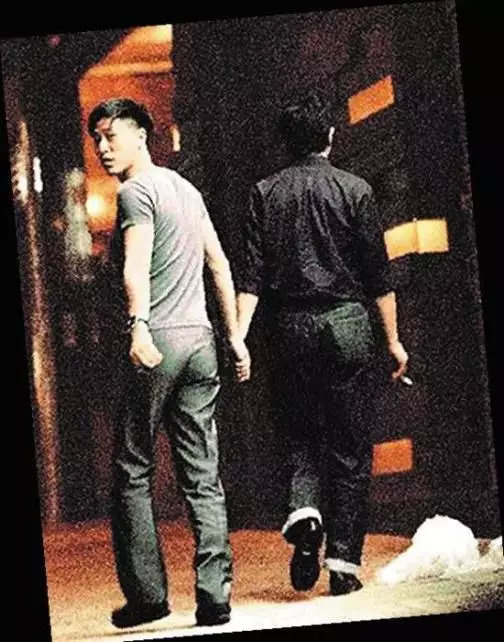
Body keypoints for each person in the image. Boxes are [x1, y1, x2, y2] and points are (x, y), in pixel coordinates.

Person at [235, 90, 408, 597]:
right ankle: (343, 565)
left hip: (289, 329)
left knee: (298, 434)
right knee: (349, 447)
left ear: (285, 142)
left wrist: (239, 337)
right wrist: (394, 341)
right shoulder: (355, 190)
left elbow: (252, 276)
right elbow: (379, 276)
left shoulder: (263, 193)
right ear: (330, 136)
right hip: (347, 325)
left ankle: (305, 513)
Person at [87, 98, 250, 629]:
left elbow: (135, 266)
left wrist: (138, 326)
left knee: (132, 466)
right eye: (96, 139)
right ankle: (215, 596)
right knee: (203, 472)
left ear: (141, 134)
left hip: (157, 342)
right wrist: (234, 338)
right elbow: (219, 265)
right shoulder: (187, 190)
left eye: (111, 135)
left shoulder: (135, 192)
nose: (103, 147)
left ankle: (148, 596)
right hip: (201, 342)